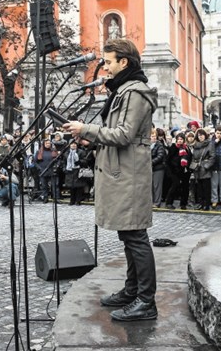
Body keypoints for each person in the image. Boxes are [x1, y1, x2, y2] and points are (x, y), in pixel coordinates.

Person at [63, 39, 158, 322]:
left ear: (124, 63)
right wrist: (88, 134)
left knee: (135, 235)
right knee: (128, 234)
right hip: (122, 171)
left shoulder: (135, 93)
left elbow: (124, 135)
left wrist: (87, 129)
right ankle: (132, 291)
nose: (104, 67)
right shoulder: (124, 90)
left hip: (129, 173)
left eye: (108, 62)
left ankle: (146, 301)